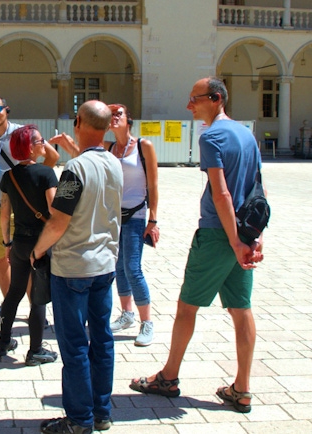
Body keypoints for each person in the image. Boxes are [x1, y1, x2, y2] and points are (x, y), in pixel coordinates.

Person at [129, 77, 264, 414]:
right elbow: (257, 190)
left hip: (220, 235)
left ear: (215, 99)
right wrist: (254, 237)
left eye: (195, 99)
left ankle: (168, 377)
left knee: (187, 306)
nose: (189, 106)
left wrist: (233, 241)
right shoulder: (247, 135)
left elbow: (222, 193)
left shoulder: (213, 136)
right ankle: (242, 389)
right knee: (241, 308)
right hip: (243, 235)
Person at [33, 101, 123, 434]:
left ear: (78, 123)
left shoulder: (74, 170)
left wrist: (38, 250)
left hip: (73, 269)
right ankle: (102, 412)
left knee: (74, 347)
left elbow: (59, 220)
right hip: (104, 265)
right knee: (102, 341)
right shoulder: (114, 162)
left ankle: (79, 420)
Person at [0, 96, 59, 318]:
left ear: (7, 110)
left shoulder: (22, 134)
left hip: (20, 210)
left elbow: (52, 157)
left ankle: (35, 310)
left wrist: (38, 179)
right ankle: (9, 307)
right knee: (0, 258)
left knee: (27, 259)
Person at [0, 125, 59, 366]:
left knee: (14, 292)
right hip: (40, 243)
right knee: (38, 296)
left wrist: (7, 243)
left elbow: (4, 214)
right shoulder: (45, 174)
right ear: (31, 147)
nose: (44, 144)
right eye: (40, 141)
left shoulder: (8, 176)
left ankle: (3, 342)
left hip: (19, 241)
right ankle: (36, 350)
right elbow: (54, 211)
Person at [104, 103, 159, 347]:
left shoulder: (143, 146)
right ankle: (127, 314)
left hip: (136, 215)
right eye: (110, 115)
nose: (114, 118)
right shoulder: (108, 148)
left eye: (119, 114)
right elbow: (80, 151)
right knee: (118, 267)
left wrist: (153, 219)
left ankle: (147, 322)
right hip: (114, 217)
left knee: (132, 267)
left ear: (129, 120)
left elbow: (154, 185)